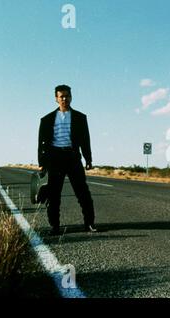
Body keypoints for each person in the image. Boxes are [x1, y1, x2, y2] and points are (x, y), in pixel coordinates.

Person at [38, 84, 97, 235]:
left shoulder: (80, 117)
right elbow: (41, 142)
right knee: (54, 194)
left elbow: (85, 140)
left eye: (67, 96)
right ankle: (55, 226)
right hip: (55, 158)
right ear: (56, 99)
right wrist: (42, 163)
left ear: (71, 97)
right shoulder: (46, 119)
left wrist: (88, 158)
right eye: (61, 96)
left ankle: (89, 223)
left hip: (73, 157)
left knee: (82, 192)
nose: (64, 98)